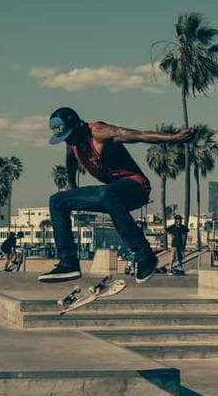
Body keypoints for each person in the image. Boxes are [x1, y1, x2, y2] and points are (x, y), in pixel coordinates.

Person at [39, 107, 191, 283]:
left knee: (106, 193)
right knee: (57, 201)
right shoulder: (71, 143)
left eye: (70, 136)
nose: (70, 141)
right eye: (66, 138)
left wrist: (173, 138)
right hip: (111, 195)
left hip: (136, 188)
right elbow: (70, 160)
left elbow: (137, 135)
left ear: (78, 125)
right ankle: (68, 262)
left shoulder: (99, 132)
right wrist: (71, 185)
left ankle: (144, 255)